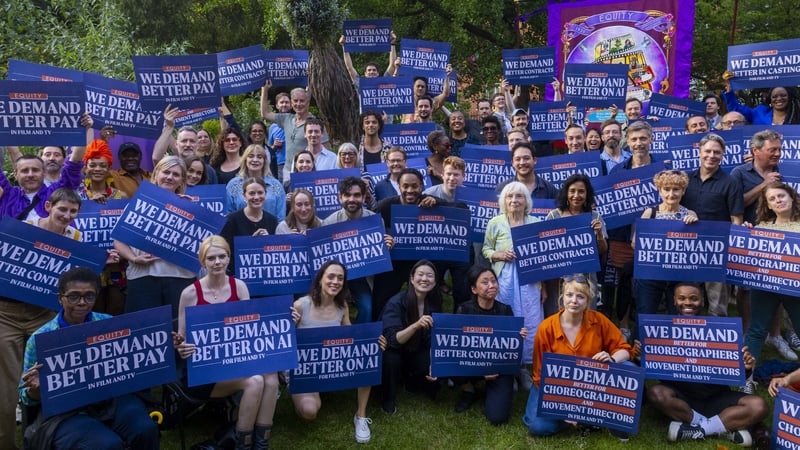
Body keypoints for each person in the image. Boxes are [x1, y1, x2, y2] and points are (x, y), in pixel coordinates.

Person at [0, 114, 91, 448]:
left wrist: (83, 131)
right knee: (6, 385)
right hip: (7, 307)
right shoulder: (7, 198)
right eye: (23, 170)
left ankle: (47, 436)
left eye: (35, 169)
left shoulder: (56, 199)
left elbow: (73, 166)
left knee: (47, 377)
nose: (29, 174)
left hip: (44, 309)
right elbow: (9, 157)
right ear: (17, 174)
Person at [19, 267, 159, 450]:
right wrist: (36, 389)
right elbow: (26, 399)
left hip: (109, 400)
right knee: (107, 444)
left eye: (89, 296)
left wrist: (162, 344)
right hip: (66, 411)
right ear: (60, 298)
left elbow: (135, 360)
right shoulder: (41, 339)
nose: (82, 303)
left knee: (145, 429)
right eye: (73, 296)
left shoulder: (108, 323)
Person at [174, 236, 277, 450]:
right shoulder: (190, 293)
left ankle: (260, 441)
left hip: (235, 361)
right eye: (211, 258)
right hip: (204, 372)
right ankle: (242, 444)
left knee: (272, 376)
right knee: (255, 381)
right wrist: (181, 347)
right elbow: (182, 339)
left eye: (222, 256)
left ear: (229, 258)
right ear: (203, 262)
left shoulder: (239, 287)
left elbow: (249, 330)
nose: (218, 262)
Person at [644, 282, 769, 447]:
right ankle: (722, 428)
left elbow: (732, 374)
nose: (687, 302)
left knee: (759, 405)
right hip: (682, 398)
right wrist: (641, 357)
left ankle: (697, 430)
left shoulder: (721, 331)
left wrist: (744, 368)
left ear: (703, 301)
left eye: (693, 298)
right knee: (656, 393)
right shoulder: (660, 331)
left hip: (717, 397)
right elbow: (656, 371)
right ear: (674, 301)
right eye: (682, 298)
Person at [522, 276, 632, 440]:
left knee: (629, 367)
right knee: (538, 427)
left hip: (589, 386)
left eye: (580, 297)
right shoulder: (546, 327)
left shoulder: (599, 320)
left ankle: (591, 415)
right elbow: (539, 376)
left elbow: (625, 350)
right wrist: (565, 409)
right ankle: (585, 418)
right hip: (553, 388)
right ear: (562, 296)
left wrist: (612, 358)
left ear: (588, 301)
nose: (574, 300)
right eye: (570, 295)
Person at [291, 260, 384, 444]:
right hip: (306, 371)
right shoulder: (301, 305)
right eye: (331, 276)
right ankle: (303, 396)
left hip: (332, 364)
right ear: (320, 279)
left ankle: (361, 416)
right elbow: (286, 343)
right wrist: (291, 326)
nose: (335, 281)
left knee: (367, 359)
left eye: (340, 278)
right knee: (309, 411)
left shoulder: (342, 306)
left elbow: (351, 337)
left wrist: (372, 344)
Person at [113, 156, 195, 317]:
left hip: (180, 279)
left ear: (182, 180)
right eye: (166, 172)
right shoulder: (137, 203)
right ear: (156, 174)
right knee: (144, 333)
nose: (170, 177)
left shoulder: (191, 208)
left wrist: (192, 212)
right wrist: (134, 258)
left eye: (176, 174)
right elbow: (119, 240)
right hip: (143, 277)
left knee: (178, 332)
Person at [483, 181, 544, 391]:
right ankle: (507, 368)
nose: (514, 201)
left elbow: (543, 257)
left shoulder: (535, 222)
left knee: (531, 319)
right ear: (504, 200)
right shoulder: (495, 222)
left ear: (526, 200)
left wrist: (543, 285)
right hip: (505, 278)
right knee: (507, 319)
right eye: (510, 197)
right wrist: (498, 254)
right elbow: (486, 249)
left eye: (519, 196)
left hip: (529, 279)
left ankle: (524, 368)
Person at [452, 265, 527, 424]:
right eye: (485, 282)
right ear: (474, 289)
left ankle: (489, 390)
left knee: (497, 418)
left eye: (493, 281)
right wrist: (480, 372)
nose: (491, 285)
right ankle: (468, 389)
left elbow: (510, 348)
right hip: (470, 366)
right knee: (451, 361)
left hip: (498, 368)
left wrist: (518, 337)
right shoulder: (464, 310)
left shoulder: (505, 310)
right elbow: (456, 349)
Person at [681, 133, 743, 318]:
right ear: (699, 152)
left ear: (723, 154)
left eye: (717, 152)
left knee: (717, 304)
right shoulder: (685, 179)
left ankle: (717, 341)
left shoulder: (730, 182)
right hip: (686, 246)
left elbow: (737, 219)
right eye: (707, 151)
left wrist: (733, 249)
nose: (711, 155)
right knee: (686, 297)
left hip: (715, 250)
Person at [322, 177, 395, 323]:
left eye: (356, 195)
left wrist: (386, 246)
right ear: (340, 197)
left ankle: (361, 337)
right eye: (347, 195)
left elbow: (378, 256)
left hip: (361, 277)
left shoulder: (375, 220)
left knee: (367, 308)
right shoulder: (329, 223)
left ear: (363, 197)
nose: (352, 199)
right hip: (336, 277)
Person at [744, 182, 800, 362]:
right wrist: (746, 236)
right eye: (772, 199)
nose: (778, 201)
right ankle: (746, 377)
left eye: (781, 196)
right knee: (757, 329)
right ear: (768, 205)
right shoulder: (761, 228)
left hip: (795, 286)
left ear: (792, 197)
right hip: (765, 287)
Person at [633, 170, 698, 318]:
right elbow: (635, 244)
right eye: (666, 189)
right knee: (645, 313)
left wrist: (694, 225)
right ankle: (640, 341)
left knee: (679, 315)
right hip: (651, 275)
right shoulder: (650, 213)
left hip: (679, 274)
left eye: (676, 189)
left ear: (683, 191)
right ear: (659, 190)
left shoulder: (690, 214)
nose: (671, 194)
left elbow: (696, 247)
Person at [381, 260, 444, 413]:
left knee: (433, 363)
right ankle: (387, 399)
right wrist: (416, 325)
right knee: (391, 359)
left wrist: (434, 363)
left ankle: (412, 380)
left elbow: (435, 338)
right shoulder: (396, 302)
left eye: (429, 276)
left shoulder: (435, 302)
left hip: (417, 349)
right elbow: (393, 340)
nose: (424, 279)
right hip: (393, 349)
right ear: (411, 279)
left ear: (435, 282)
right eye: (420, 274)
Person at [545, 174, 608, 309]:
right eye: (572, 191)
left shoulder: (595, 216)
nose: (576, 195)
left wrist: (599, 234)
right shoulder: (554, 215)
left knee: (586, 317)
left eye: (581, 191)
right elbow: (545, 249)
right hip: (559, 280)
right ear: (566, 193)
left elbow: (602, 250)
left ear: (587, 194)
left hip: (587, 278)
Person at [261, 82, 330, 180]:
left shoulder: (315, 124)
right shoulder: (286, 119)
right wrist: (265, 89)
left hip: (309, 172)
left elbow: (325, 151)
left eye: (302, 101)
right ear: (291, 103)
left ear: (307, 102)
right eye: (295, 101)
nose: (298, 104)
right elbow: (265, 113)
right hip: (288, 171)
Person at [221, 177, 280, 273]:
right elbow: (225, 251)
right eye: (251, 193)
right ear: (244, 196)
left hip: (265, 274)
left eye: (260, 193)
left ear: (266, 194)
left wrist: (268, 240)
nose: (256, 197)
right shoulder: (231, 220)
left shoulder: (272, 220)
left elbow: (276, 254)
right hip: (237, 274)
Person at [224, 144, 286, 221]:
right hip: (241, 232)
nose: (255, 160)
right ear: (245, 159)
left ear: (264, 161)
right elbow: (228, 215)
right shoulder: (233, 185)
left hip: (270, 231)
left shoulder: (276, 185)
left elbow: (281, 217)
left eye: (259, 157)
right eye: (251, 156)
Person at [723, 74, 800, 125]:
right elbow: (735, 110)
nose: (779, 99)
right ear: (770, 99)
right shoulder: (760, 112)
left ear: (790, 97)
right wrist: (730, 90)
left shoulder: (797, 115)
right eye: (774, 96)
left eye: (783, 95)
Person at [79, 139, 127, 203]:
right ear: (85, 169)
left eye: (103, 165)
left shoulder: (121, 197)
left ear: (109, 169)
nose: (97, 169)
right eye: (92, 165)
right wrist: (90, 204)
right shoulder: (77, 198)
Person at [267, 92, 292, 182]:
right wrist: (274, 146)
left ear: (291, 105)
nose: (284, 104)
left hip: (294, 163)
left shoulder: (296, 121)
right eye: (281, 102)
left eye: (286, 102)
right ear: (277, 106)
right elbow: (269, 148)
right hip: (279, 165)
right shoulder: (273, 127)